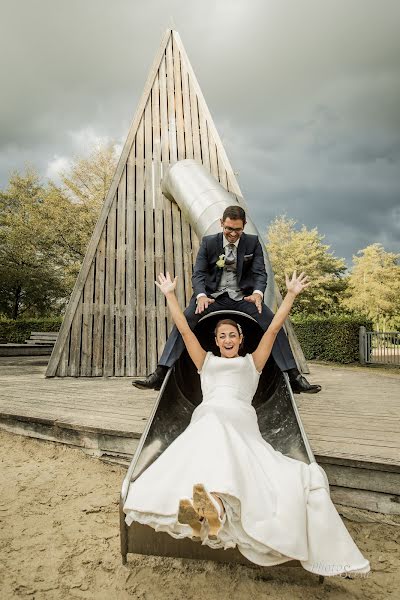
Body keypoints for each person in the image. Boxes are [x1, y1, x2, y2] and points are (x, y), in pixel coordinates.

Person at [123, 271, 370, 576]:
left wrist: (290, 294)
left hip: (239, 418)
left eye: (232, 335)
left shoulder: (252, 362)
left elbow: (273, 328)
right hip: (209, 414)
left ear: (240, 339)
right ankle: (215, 509)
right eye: (221, 336)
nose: (227, 339)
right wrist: (171, 295)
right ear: (215, 341)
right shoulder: (206, 362)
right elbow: (186, 331)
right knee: (208, 435)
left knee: (223, 439)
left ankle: (212, 509)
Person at [133, 205, 321, 394]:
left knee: (273, 324)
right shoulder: (209, 242)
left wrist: (257, 293)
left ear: (244, 226)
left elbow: (260, 273)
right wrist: (201, 295)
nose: (232, 234)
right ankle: (161, 372)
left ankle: (293, 375)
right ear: (221, 223)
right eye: (229, 229)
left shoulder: (252, 243)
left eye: (237, 230)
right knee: (185, 320)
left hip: (243, 298)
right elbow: (198, 274)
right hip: (212, 298)